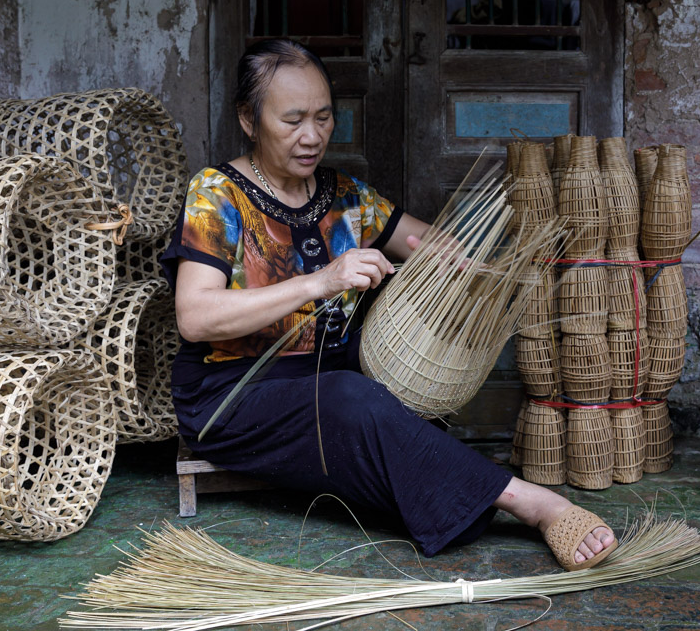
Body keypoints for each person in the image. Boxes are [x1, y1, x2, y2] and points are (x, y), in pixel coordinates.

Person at [161, 39, 616, 570]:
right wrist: (320, 281)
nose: (312, 137)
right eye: (292, 121)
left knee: (393, 407)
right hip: (233, 394)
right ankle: (534, 503)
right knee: (353, 401)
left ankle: (468, 505)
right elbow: (194, 318)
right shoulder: (216, 194)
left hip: (330, 383)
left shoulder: (346, 195)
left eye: (324, 118)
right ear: (248, 118)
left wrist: (468, 262)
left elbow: (427, 243)